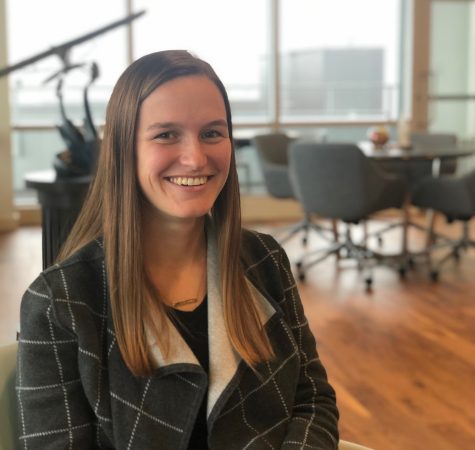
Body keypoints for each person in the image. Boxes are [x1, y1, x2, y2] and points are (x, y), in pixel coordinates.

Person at [16, 50, 339, 449]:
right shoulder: (58, 302)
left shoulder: (266, 259)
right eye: (166, 134)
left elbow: (312, 400)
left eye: (212, 133)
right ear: (124, 150)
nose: (195, 157)